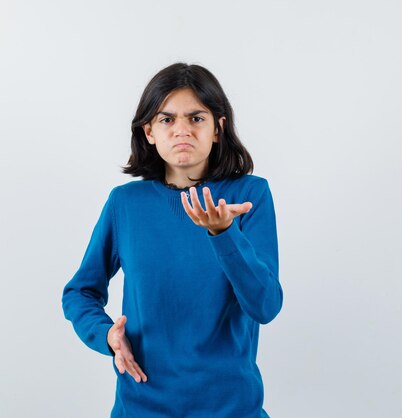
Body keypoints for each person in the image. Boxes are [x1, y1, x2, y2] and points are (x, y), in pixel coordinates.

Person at [61, 62, 283, 418]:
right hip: (142, 406)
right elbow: (80, 292)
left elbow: (265, 306)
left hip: (231, 408)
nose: (182, 130)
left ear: (217, 129)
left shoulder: (249, 195)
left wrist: (223, 233)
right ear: (149, 131)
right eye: (167, 120)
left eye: (196, 118)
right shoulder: (125, 204)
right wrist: (105, 335)